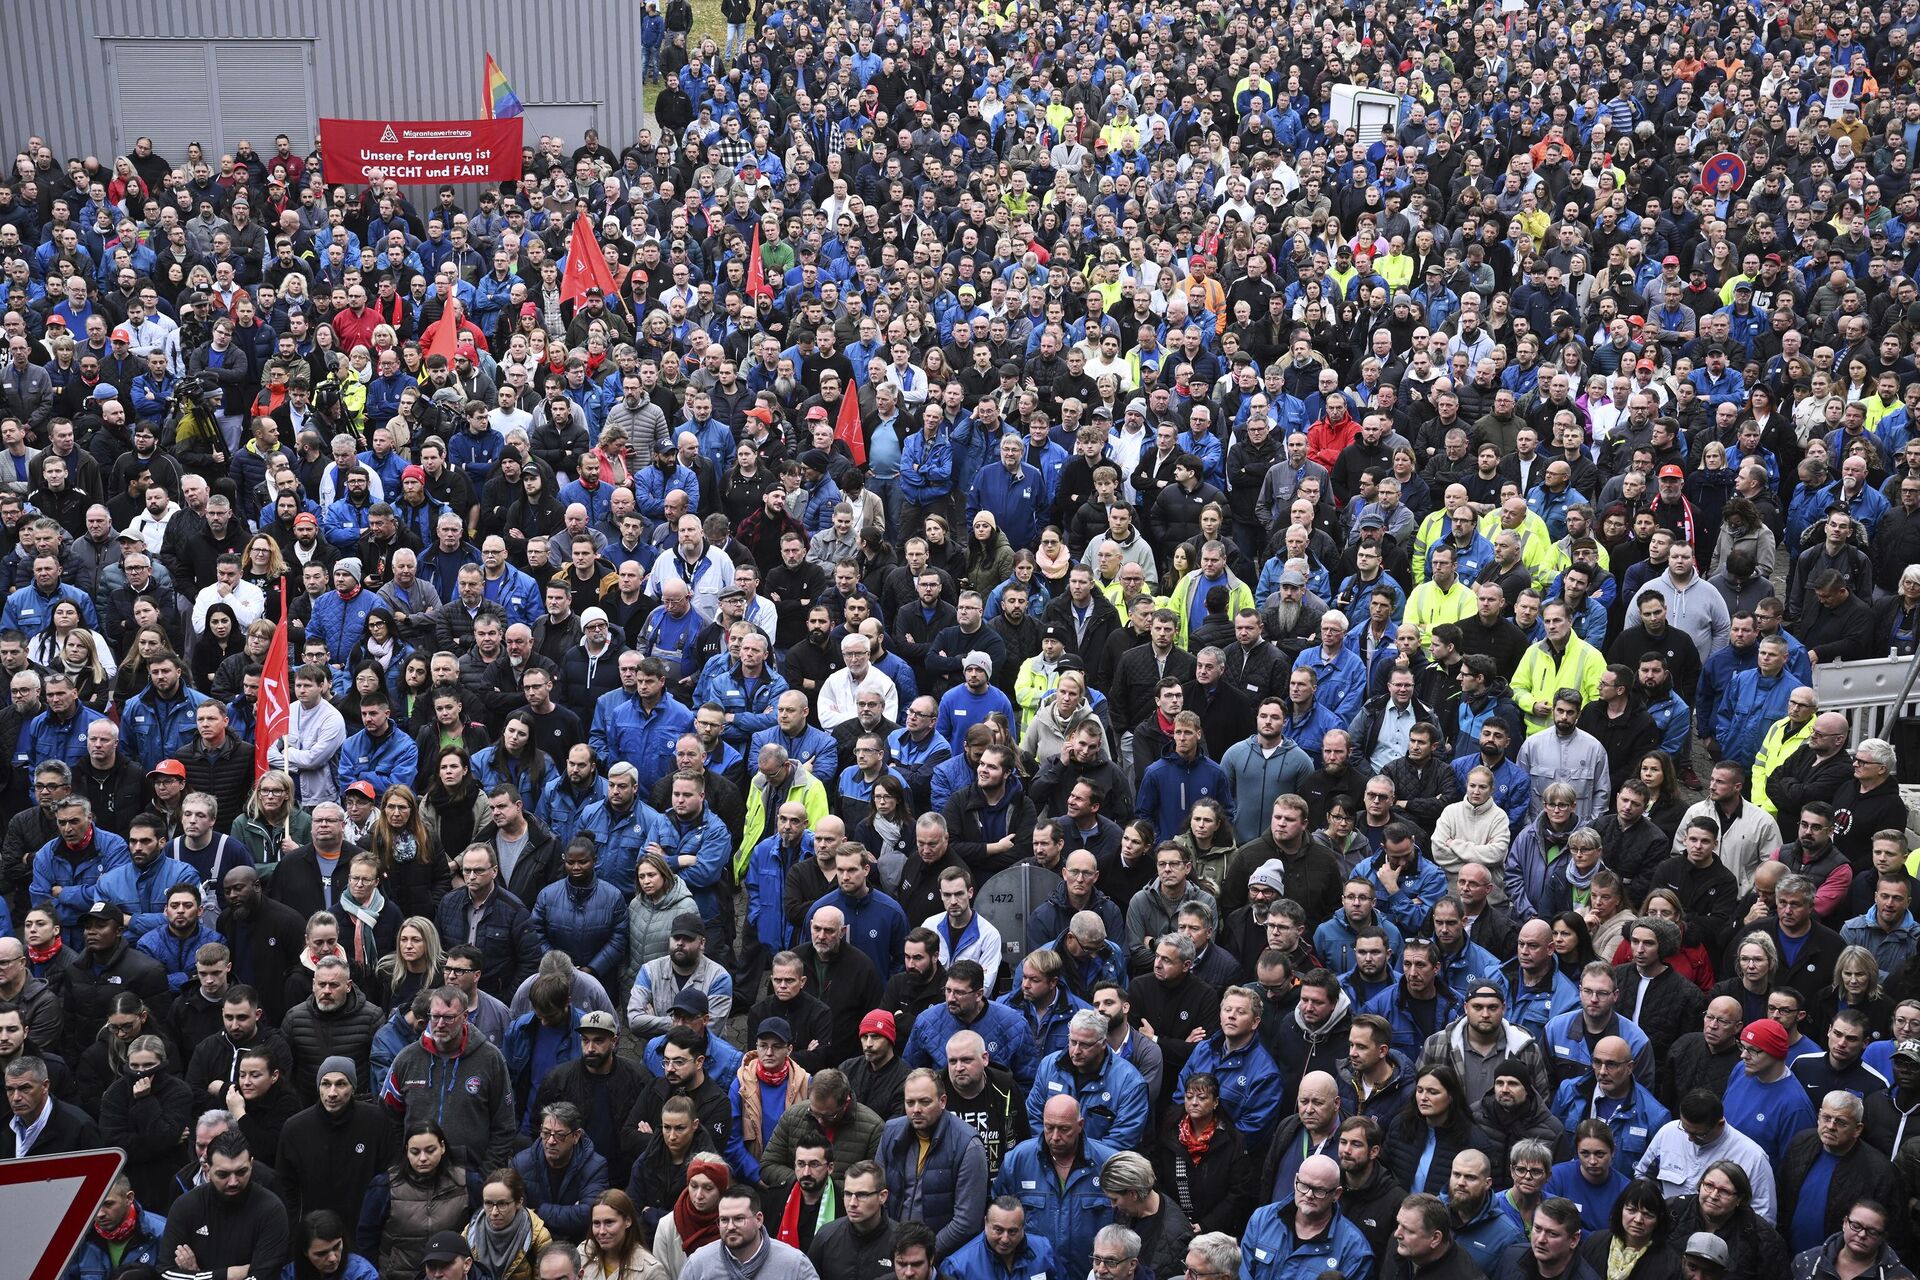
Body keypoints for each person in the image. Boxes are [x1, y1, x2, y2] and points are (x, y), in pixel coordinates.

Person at [159, 1129, 291, 1280]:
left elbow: (263, 1276)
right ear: (207, 1169)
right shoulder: (186, 1206)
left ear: (251, 1165)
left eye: (241, 1172)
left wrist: (196, 1275)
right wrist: (228, 1274)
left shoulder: (271, 1210)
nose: (233, 1182)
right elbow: (165, 1273)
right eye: (223, 1175)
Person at [676, 1185, 821, 1280]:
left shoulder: (794, 1264)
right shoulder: (699, 1264)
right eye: (724, 1220)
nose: (730, 1227)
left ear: (759, 1219)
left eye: (739, 1219)